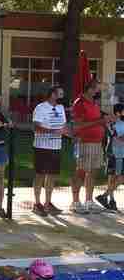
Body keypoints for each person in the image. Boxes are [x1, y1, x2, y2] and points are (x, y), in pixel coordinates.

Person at [70, 79, 110, 214]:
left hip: (97, 142)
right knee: (81, 172)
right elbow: (78, 125)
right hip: (84, 142)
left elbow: (96, 121)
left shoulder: (93, 103)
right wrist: (100, 121)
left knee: (92, 172)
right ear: (90, 89)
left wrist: (104, 122)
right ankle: (75, 202)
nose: (98, 92)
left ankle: (89, 201)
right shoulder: (80, 103)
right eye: (97, 89)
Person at [31, 85, 71, 217]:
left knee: (52, 176)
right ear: (53, 94)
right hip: (42, 147)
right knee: (40, 175)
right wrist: (53, 131)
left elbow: (64, 127)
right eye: (60, 93)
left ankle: (48, 203)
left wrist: (70, 134)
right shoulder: (41, 108)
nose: (62, 96)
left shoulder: (60, 108)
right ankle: (37, 204)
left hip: (56, 147)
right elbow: (36, 127)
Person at [95, 103, 124, 212]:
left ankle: (104, 196)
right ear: (118, 112)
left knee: (120, 177)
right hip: (113, 152)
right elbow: (115, 136)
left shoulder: (121, 122)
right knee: (112, 177)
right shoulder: (111, 123)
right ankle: (111, 199)